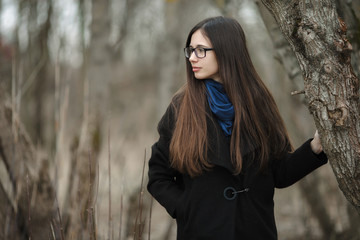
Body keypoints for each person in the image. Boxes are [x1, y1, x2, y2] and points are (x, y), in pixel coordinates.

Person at [147, 16, 327, 240]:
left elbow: (279, 173)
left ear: (226, 51)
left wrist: (315, 148)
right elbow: (158, 175)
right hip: (202, 232)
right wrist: (186, 208)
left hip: (255, 231)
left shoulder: (258, 103)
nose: (192, 57)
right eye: (190, 50)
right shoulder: (181, 108)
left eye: (201, 50)